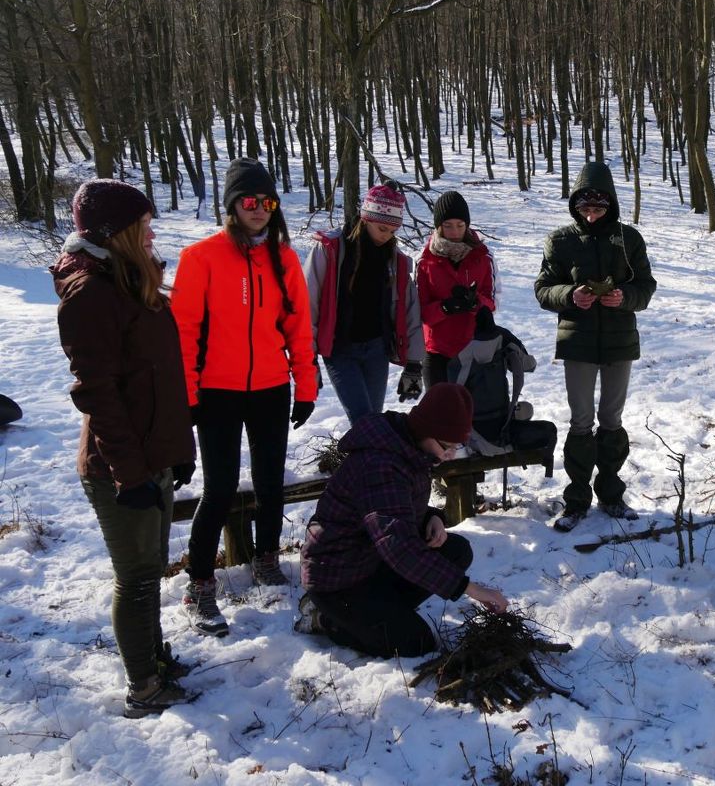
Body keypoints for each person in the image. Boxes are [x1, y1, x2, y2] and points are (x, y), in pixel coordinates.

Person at [53, 179, 197, 717]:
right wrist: (129, 475)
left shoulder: (132, 280)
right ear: (116, 235)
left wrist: (178, 448)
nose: (153, 231)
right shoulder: (91, 296)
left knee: (151, 568)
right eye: (143, 225)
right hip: (119, 465)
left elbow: (160, 376)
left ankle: (155, 658)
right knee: (136, 579)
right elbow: (100, 396)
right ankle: (144, 685)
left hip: (152, 452)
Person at [171, 158, 318, 637]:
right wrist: (189, 395)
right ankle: (199, 583)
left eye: (268, 202)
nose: (260, 210)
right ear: (232, 205)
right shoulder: (202, 258)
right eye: (250, 202)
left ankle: (267, 559)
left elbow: (298, 327)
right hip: (217, 391)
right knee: (218, 489)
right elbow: (184, 332)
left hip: (271, 388)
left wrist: (306, 386)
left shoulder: (284, 257)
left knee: (270, 480)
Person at [295, 383, 508, 657]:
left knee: (455, 551)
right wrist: (473, 590)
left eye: (458, 446)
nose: (450, 455)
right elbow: (398, 546)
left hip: (368, 561)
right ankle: (327, 619)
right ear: (425, 429)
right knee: (416, 643)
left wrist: (431, 516)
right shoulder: (380, 464)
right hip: (337, 577)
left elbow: (396, 507)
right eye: (447, 446)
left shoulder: (410, 447)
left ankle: (379, 614)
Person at [534, 162, 657, 532]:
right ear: (574, 206)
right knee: (581, 421)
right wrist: (571, 295)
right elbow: (543, 289)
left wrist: (623, 297)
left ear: (611, 205)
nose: (591, 215)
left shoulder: (628, 238)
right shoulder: (560, 240)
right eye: (584, 208)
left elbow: (646, 288)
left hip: (620, 342)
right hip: (577, 343)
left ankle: (612, 494)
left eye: (598, 208)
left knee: (612, 420)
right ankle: (576, 500)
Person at [304, 181, 425, 425]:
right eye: (382, 228)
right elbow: (308, 305)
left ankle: (367, 460)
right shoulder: (330, 249)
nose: (386, 236)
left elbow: (410, 309)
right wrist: (307, 360)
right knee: (364, 420)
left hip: (376, 350)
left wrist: (413, 364)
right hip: (340, 350)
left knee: (374, 419)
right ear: (366, 218)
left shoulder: (395, 260)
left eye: (393, 231)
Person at [417, 191, 497, 389]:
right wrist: (445, 307)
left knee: (473, 415)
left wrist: (476, 301)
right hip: (437, 351)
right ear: (438, 226)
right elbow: (419, 311)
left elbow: (492, 301)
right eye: (448, 226)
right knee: (439, 415)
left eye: (460, 225)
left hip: (474, 347)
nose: (454, 232)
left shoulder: (483, 258)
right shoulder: (425, 261)